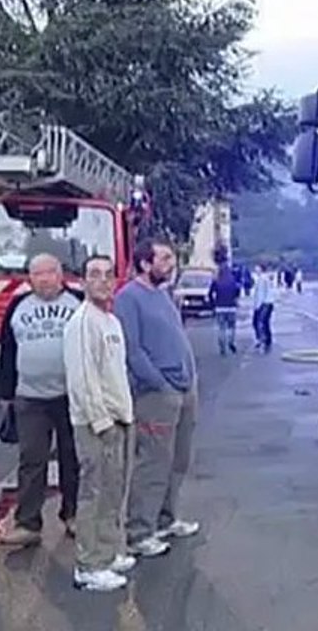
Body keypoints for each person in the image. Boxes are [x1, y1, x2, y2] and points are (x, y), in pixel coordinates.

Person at [114, 239, 200, 558]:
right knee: (153, 462)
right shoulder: (128, 299)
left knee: (179, 459)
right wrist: (159, 383)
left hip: (184, 389)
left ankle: (166, 518)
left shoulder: (163, 295)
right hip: (156, 395)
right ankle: (139, 530)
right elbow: (132, 349)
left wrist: (190, 379)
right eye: (163, 258)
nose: (170, 263)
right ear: (144, 264)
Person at [0, 254, 83, 547]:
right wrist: (5, 393)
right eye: (37, 274)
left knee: (73, 458)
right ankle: (28, 522)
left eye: (50, 272)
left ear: (61, 274)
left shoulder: (78, 303)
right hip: (30, 397)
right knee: (32, 460)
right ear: (29, 278)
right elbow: (7, 349)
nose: (44, 278)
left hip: (71, 395)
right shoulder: (18, 306)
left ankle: (73, 514)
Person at [64, 255, 137, 592]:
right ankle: (89, 565)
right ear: (82, 282)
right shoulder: (82, 323)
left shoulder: (111, 321)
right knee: (94, 491)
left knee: (113, 490)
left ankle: (108, 552)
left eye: (109, 275)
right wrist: (101, 421)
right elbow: (83, 378)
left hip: (120, 417)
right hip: (96, 424)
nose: (103, 281)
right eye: (94, 274)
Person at [209, 262, 240, 356]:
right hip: (231, 307)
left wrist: (213, 304)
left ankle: (222, 347)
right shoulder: (232, 280)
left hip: (220, 307)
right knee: (231, 327)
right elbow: (237, 291)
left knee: (221, 328)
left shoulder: (216, 281)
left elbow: (210, 294)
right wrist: (235, 299)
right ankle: (231, 342)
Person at [252, 264, 276, 353]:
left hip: (264, 303)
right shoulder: (265, 278)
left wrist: (257, 307)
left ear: (261, 269)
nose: (255, 269)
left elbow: (261, 294)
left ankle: (262, 339)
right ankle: (267, 340)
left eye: (257, 268)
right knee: (265, 322)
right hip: (269, 303)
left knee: (259, 322)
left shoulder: (262, 279)